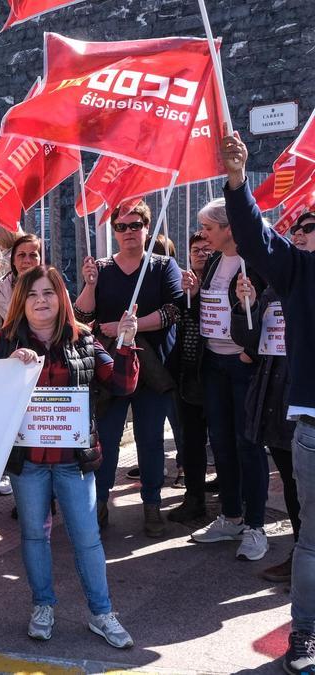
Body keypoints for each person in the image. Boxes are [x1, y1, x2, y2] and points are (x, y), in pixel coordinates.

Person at [0, 265, 138, 649]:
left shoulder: (83, 340)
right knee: (35, 536)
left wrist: (126, 342)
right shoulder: (5, 342)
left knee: (87, 538)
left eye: (49, 293)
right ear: (22, 301)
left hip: (74, 461)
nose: (41, 301)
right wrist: (6, 370)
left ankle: (102, 613)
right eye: (33, 294)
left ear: (62, 298)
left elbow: (122, 383)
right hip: (28, 462)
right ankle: (42, 606)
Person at [220, 131, 315, 675]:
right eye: (306, 227)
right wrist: (237, 180)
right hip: (312, 431)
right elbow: (256, 240)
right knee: (313, 543)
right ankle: (304, 634)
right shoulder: (299, 273)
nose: (309, 234)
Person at [74, 201, 183, 537]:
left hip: (154, 368)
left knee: (150, 440)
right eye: (121, 227)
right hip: (112, 371)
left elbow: (173, 310)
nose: (128, 232)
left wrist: (132, 327)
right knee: (105, 438)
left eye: (135, 225)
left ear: (147, 228)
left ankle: (152, 504)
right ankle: (101, 503)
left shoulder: (164, 266)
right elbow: (84, 318)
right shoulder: (102, 269)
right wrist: (90, 284)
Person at [185, 198, 270, 562]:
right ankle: (231, 516)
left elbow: (274, 310)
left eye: (208, 228)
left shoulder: (259, 260)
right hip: (214, 364)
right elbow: (209, 309)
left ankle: (255, 525)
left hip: (244, 364)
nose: (203, 235)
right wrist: (193, 294)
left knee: (248, 444)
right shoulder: (216, 260)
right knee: (220, 441)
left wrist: (255, 351)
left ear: (228, 228)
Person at [232, 213, 314, 582]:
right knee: (294, 485)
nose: (298, 233)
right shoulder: (275, 283)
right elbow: (247, 341)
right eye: (295, 229)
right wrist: (244, 305)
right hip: (275, 398)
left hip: (303, 399)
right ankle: (300, 556)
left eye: (308, 228)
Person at [167, 233, 215, 524]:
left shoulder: (228, 280)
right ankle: (194, 498)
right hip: (188, 374)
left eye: (207, 250)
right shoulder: (182, 285)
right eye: (196, 250)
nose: (201, 254)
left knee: (225, 439)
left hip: (218, 371)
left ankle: (235, 495)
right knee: (191, 440)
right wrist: (188, 296)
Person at [0, 233, 43, 346]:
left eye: (33, 255)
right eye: (21, 255)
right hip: (12, 357)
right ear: (13, 261)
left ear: (40, 259)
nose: (27, 260)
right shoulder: (1, 292)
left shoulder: (54, 286)